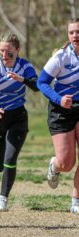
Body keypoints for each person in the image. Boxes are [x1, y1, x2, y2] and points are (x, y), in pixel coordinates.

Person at [0, 33, 38, 211]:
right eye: (2, 50)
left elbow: (37, 86)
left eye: (9, 52)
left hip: (18, 116)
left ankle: (3, 197)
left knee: (10, 159)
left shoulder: (25, 66)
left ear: (17, 50)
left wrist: (23, 80)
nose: (5, 55)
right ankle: (2, 175)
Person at [37, 18, 79, 213]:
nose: (75, 36)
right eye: (72, 32)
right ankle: (55, 166)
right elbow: (42, 82)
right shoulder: (61, 57)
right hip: (61, 110)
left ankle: (75, 201)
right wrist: (59, 98)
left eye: (78, 32)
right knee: (66, 163)